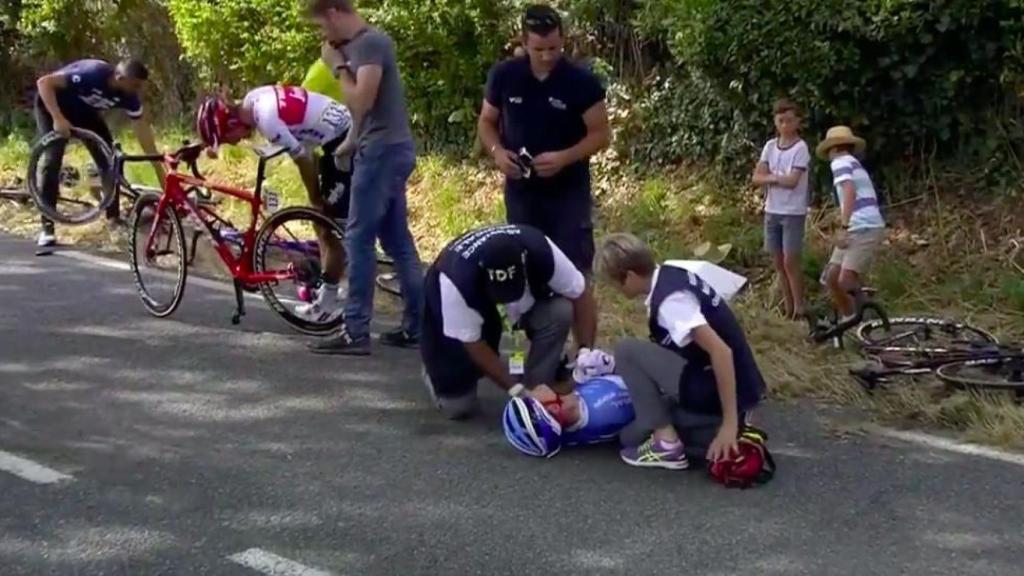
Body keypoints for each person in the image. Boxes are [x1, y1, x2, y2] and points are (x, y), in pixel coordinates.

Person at [308, 0, 424, 355]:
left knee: (358, 239)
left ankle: (355, 330)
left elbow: (362, 101)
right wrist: (349, 144)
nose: (324, 35)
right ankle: (417, 327)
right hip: (383, 149)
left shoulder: (370, 43)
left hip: (382, 154)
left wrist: (337, 66)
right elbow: (364, 115)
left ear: (333, 14)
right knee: (396, 241)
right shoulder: (362, 46)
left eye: (322, 26)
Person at [594, 233, 767, 470]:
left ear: (630, 276)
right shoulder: (671, 274)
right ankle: (709, 428)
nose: (616, 290)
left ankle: (668, 444)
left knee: (627, 351)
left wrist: (729, 423)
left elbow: (721, 352)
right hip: (736, 384)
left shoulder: (672, 303)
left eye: (615, 283)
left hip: (718, 386)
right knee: (631, 434)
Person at [477, 4, 611, 277]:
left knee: (575, 271)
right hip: (521, 192)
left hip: (568, 193)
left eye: (553, 48)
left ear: (563, 40)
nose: (547, 56)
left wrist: (564, 157)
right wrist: (497, 151)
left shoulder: (581, 82)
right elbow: (486, 121)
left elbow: (601, 134)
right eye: (539, 49)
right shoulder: (505, 76)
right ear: (524, 42)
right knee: (528, 267)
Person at [194, 85, 351, 309]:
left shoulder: (266, 118)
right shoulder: (253, 99)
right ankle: (328, 289)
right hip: (335, 136)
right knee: (322, 224)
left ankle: (336, 297)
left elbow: (303, 160)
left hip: (343, 139)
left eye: (228, 139)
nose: (235, 143)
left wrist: (315, 198)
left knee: (331, 226)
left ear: (232, 124)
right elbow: (308, 150)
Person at [420, 224, 599, 420]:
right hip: (457, 296)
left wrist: (585, 354)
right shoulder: (456, 281)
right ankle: (434, 371)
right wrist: (518, 391)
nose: (507, 300)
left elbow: (580, 293)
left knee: (559, 311)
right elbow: (473, 344)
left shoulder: (540, 250)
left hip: (516, 287)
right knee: (458, 407)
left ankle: (537, 383)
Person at [34, 58, 164, 248]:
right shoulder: (92, 74)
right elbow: (44, 83)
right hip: (52, 106)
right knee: (52, 159)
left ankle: (113, 218)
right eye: (135, 85)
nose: (138, 91)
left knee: (111, 160)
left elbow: (142, 129)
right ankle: (47, 227)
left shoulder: (130, 96)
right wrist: (57, 118)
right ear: (120, 79)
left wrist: (155, 161)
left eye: (141, 86)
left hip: (84, 112)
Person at [815, 126, 887, 321]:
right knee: (831, 276)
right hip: (859, 225)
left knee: (844, 280)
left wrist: (843, 227)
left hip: (864, 226)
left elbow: (849, 191)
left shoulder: (839, 162)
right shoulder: (852, 162)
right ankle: (850, 319)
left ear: (833, 149)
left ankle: (867, 318)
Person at [752, 98, 810, 320]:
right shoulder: (770, 146)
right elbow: (757, 177)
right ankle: (788, 308)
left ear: (798, 122)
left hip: (793, 212)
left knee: (790, 261)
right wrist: (776, 178)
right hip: (772, 210)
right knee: (778, 262)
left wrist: (770, 177)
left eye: (789, 120)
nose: (785, 125)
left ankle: (800, 307)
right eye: (781, 121)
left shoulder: (801, 148)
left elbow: (793, 181)